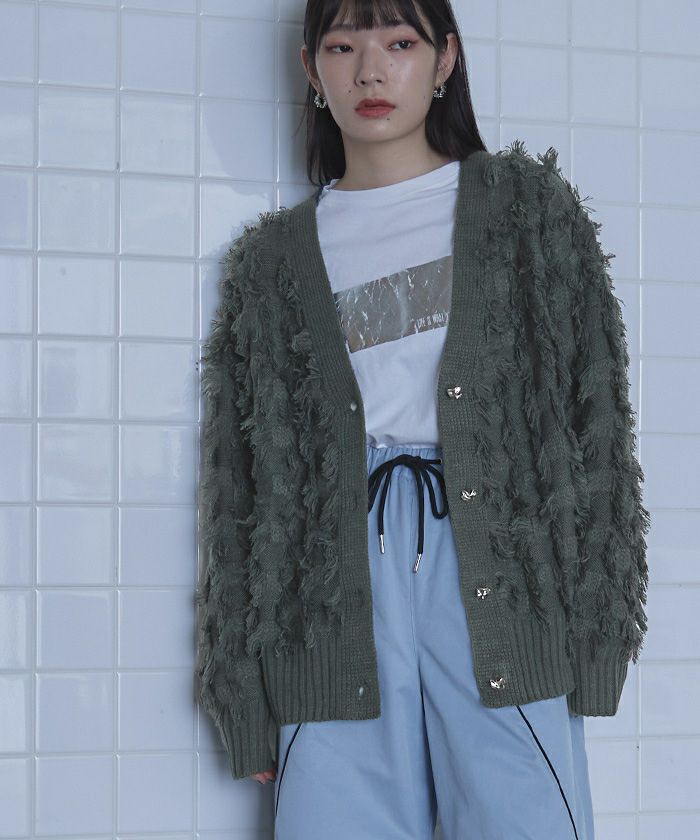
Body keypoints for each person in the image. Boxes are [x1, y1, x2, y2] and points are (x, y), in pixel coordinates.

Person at [194, 1, 650, 838]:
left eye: (400, 42)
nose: (371, 70)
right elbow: (238, 489)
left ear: (445, 60)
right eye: (343, 46)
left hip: (499, 584)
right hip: (327, 605)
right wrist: (243, 697)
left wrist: (598, 640)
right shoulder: (271, 263)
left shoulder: (525, 213)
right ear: (311, 68)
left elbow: (598, 432)